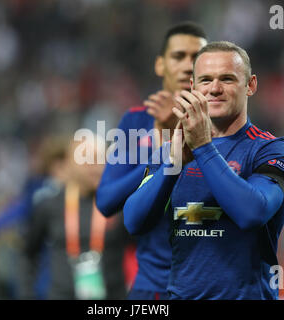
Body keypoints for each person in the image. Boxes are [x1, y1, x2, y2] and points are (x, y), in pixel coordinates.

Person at [124, 41, 284, 299]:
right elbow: (134, 221)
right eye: (205, 80)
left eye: (227, 79)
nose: (214, 89)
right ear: (193, 87)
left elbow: (252, 213)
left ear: (250, 85)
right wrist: (172, 166)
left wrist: (204, 148)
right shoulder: (172, 151)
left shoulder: (270, 151)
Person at [96, 22, 207, 299]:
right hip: (153, 285)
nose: (186, 65)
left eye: (196, 58)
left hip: (208, 283)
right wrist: (165, 149)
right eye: (178, 56)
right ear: (160, 65)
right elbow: (106, 200)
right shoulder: (136, 120)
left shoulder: (221, 122)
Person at [19, 136, 129, 299]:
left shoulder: (120, 205)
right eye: (86, 159)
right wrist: (27, 295)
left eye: (100, 158)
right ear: (69, 163)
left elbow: (146, 248)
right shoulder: (49, 206)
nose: (94, 166)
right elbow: (27, 254)